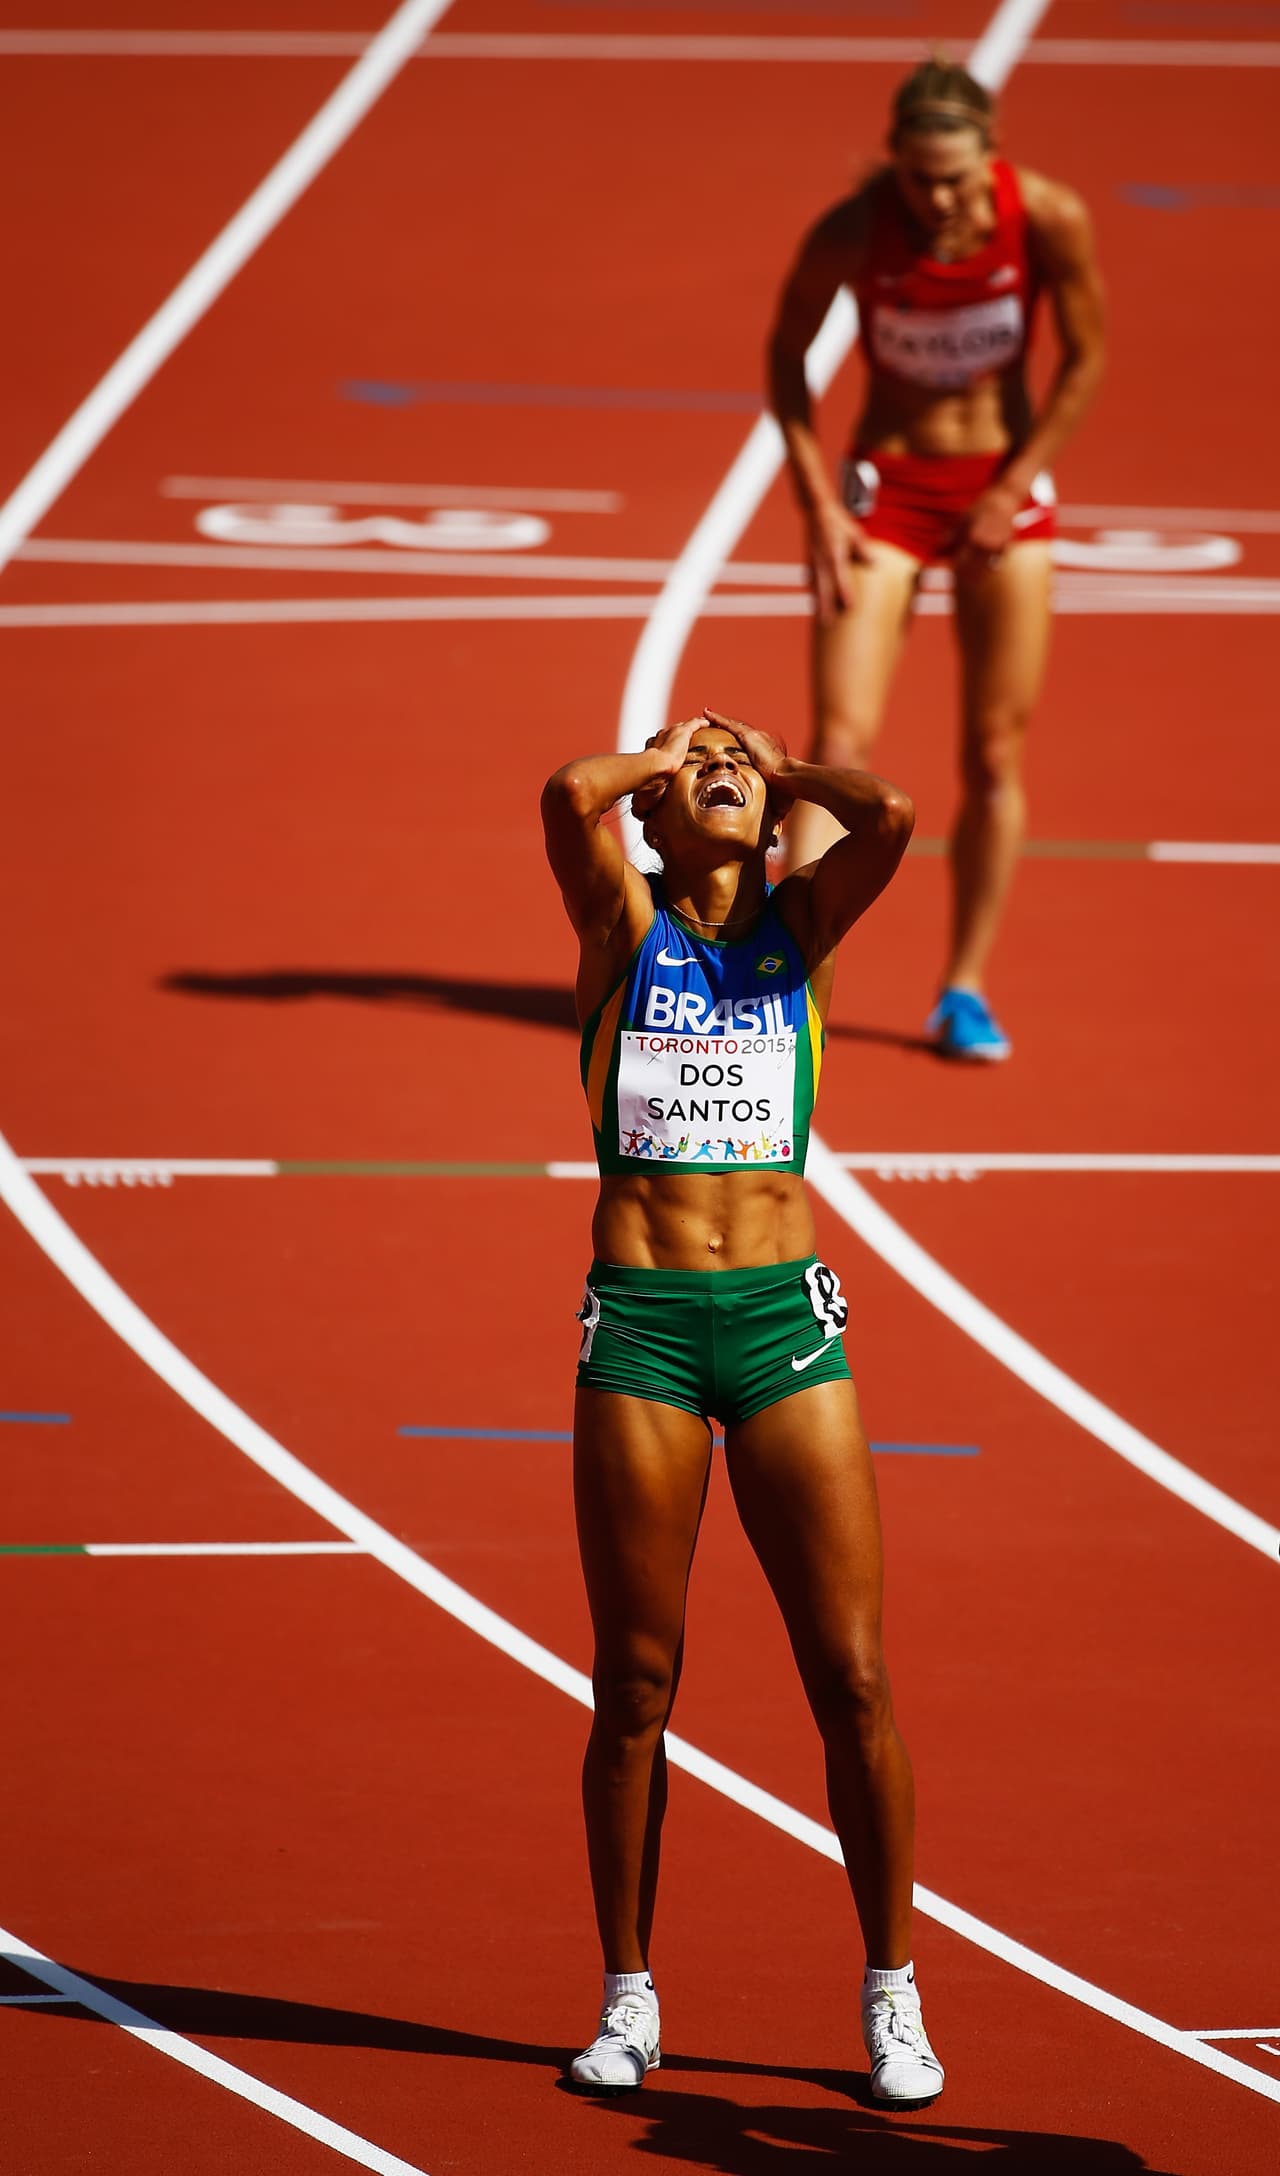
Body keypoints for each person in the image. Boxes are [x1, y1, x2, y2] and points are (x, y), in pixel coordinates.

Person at [540, 707, 944, 2106]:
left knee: (855, 1676)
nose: (707, 770)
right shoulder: (619, 926)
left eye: (732, 771)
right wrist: (669, 760)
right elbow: (566, 791)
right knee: (636, 1681)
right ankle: (631, 1994)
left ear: (768, 813)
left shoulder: (803, 935)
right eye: (683, 766)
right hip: (644, 1331)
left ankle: (893, 1990)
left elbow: (886, 810)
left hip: (782, 1328)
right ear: (653, 821)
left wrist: (766, 765)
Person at [768, 56, 1106, 1060]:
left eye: (955, 180)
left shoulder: (1045, 215)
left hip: (999, 493)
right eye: (919, 179)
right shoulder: (854, 230)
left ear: (989, 160)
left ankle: (962, 989)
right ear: (893, 167)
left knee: (993, 753)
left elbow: (1086, 357)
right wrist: (816, 503)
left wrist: (1012, 486)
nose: (938, 199)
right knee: (836, 742)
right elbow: (783, 357)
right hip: (887, 492)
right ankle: (786, 972)